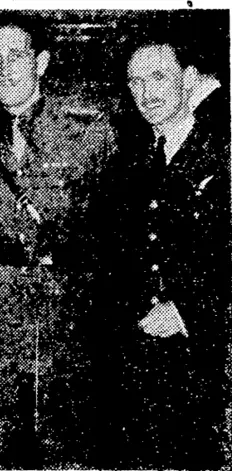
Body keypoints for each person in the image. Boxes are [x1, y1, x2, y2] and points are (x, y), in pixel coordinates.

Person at [0, 13, 116, 467]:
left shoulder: (87, 131)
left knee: (67, 448)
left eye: (16, 56)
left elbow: (108, 228)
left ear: (41, 63)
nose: (4, 69)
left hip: (65, 319)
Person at [89, 35, 230, 469]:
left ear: (188, 80)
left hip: (200, 355)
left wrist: (188, 309)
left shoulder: (221, 158)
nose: (147, 93)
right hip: (134, 360)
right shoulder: (126, 165)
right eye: (136, 82)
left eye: (159, 78)